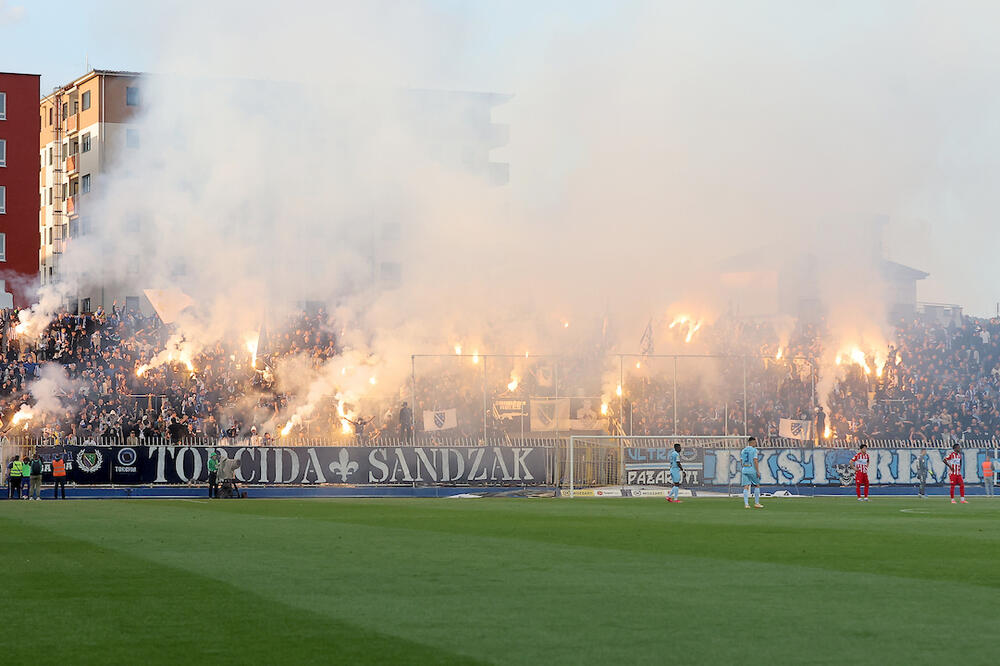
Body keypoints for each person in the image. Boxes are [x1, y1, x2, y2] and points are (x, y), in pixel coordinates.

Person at [740, 436, 763, 509]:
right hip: (752, 470)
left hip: (744, 469)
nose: (755, 443)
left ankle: (746, 504)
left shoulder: (743, 450)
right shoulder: (754, 450)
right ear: (752, 442)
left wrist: (744, 467)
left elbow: (741, 461)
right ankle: (756, 503)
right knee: (757, 485)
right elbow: (755, 460)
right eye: (755, 442)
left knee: (746, 486)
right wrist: (757, 471)